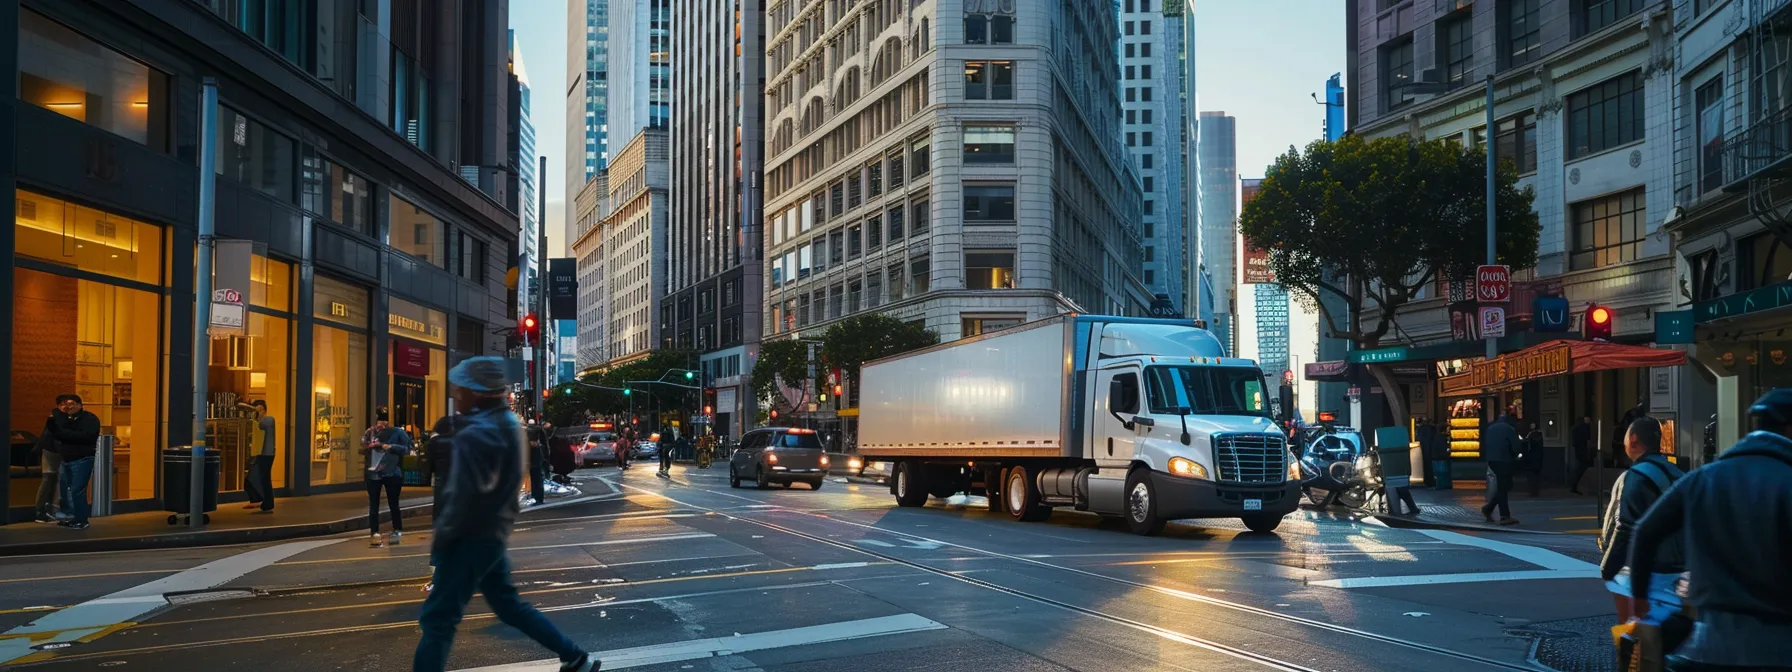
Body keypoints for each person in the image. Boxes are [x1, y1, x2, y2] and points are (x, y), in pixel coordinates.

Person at [414, 357, 598, 672]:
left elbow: (463, 496)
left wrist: (443, 541)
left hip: (467, 538)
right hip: (491, 534)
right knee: (508, 606)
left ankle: (574, 656)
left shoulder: (476, 433)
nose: (455, 394)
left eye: (459, 389)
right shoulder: (509, 424)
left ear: (475, 391)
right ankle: (574, 656)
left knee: (437, 620)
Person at [1628, 390, 1792, 670]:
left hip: (1703, 647)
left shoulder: (1703, 478)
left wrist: (1639, 601)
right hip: (1779, 649)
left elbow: (1644, 532)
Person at [1597, 416, 1685, 625]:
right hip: (1678, 567)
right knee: (1664, 627)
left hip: (1642, 569)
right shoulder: (1677, 472)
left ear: (1633, 439)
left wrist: (1608, 567)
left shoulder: (1636, 476)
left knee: (1634, 629)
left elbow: (1625, 527)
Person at [49, 394, 101, 530]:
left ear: (79, 405)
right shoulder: (65, 419)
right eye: (64, 404)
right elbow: (54, 432)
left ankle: (81, 520)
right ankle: (71, 516)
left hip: (82, 459)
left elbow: (87, 436)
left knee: (77, 490)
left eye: (71, 404)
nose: (68, 407)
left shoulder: (89, 419)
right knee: (66, 490)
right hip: (66, 459)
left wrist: (65, 435)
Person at [362, 410, 412, 547]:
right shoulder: (370, 432)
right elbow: (362, 448)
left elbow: (407, 448)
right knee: (374, 504)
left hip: (392, 472)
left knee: (393, 503)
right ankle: (374, 532)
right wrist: (370, 447)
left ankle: (397, 529)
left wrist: (390, 446)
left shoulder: (398, 432)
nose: (381, 424)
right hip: (374, 472)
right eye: (379, 420)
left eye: (384, 421)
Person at [1479, 413, 1521, 525]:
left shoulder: (1490, 428)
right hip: (1504, 460)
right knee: (1504, 487)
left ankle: (1489, 508)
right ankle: (1504, 516)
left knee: (1503, 486)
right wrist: (1515, 455)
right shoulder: (1509, 429)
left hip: (1492, 460)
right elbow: (1516, 446)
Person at [242, 400, 277, 512]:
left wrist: (256, 413)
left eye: (256, 407)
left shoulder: (269, 420)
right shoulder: (260, 420)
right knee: (261, 478)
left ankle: (265, 502)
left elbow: (260, 425)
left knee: (264, 478)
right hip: (261, 453)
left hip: (267, 454)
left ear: (261, 407)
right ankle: (265, 502)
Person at [32, 415, 62, 524]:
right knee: (52, 479)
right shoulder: (58, 418)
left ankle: (43, 512)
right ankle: (47, 511)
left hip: (50, 449)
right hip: (54, 450)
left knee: (49, 479)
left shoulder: (54, 417)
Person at [1569, 415, 1594, 495]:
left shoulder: (1575, 429)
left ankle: (1574, 485)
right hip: (1583, 450)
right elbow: (1588, 440)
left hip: (1578, 450)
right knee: (1581, 467)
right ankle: (1575, 485)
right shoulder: (1586, 428)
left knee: (1578, 467)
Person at [1519, 420, 1545, 497]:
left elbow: (1526, 444)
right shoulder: (1539, 434)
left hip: (1531, 457)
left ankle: (1532, 491)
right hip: (1538, 457)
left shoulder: (1530, 435)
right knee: (1536, 475)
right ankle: (1536, 490)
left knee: (1531, 475)